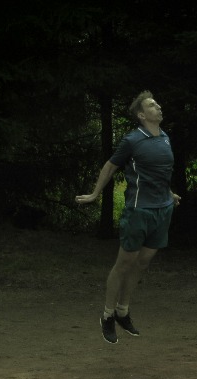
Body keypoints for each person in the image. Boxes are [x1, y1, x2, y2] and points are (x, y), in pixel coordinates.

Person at [76, 91, 181, 344]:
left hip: (163, 210)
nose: (158, 106)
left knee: (143, 263)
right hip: (138, 210)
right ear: (142, 115)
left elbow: (160, 173)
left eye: (157, 103)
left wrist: (170, 194)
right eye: (152, 105)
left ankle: (123, 312)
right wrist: (94, 194)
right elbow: (110, 166)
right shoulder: (133, 140)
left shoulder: (165, 137)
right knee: (124, 264)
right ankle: (107, 315)